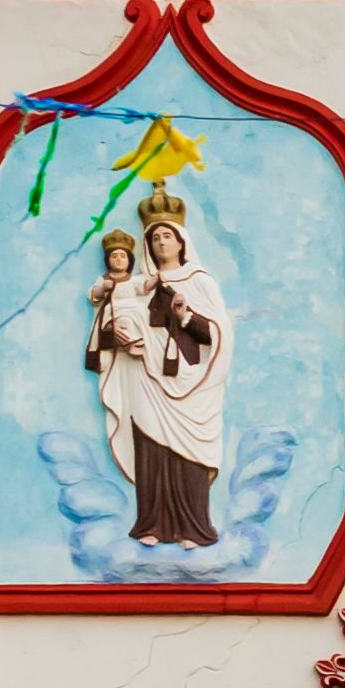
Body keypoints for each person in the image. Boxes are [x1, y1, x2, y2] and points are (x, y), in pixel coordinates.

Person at [91, 185, 235, 546]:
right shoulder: (138, 285)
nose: (161, 243)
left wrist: (186, 317)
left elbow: (217, 333)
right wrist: (118, 334)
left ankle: (193, 527)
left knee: (188, 453)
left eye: (167, 235)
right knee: (150, 446)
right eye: (154, 238)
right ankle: (152, 523)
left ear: (182, 241)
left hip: (187, 379)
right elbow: (112, 316)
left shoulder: (198, 281)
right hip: (143, 374)